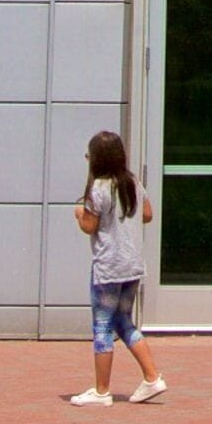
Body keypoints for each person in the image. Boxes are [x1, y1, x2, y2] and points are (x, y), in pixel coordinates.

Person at [69, 129, 167, 407]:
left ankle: (101, 391)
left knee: (102, 326)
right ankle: (152, 377)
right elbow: (147, 214)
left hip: (108, 267)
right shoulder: (132, 182)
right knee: (123, 321)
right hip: (132, 264)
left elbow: (90, 226)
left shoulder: (98, 188)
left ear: (96, 160)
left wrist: (79, 214)